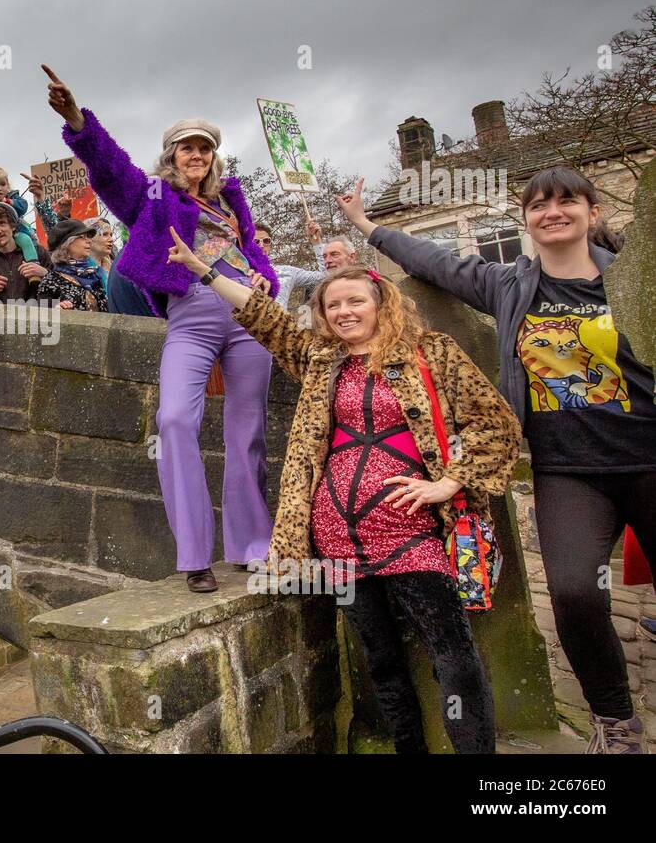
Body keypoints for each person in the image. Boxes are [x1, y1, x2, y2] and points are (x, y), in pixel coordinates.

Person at [336, 166, 655, 753]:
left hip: (648, 456)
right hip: (568, 470)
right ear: (526, 219)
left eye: (566, 201)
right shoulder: (510, 287)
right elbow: (435, 262)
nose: (552, 212)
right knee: (575, 590)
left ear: (593, 211)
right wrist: (366, 226)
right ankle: (616, 721)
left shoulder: (633, 280)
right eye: (539, 205)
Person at [169, 232, 520, 753]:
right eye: (332, 305)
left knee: (453, 656)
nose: (344, 312)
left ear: (382, 303)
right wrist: (204, 270)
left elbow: (496, 424)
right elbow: (266, 318)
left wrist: (448, 481)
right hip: (338, 538)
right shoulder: (318, 357)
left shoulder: (433, 353)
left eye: (355, 301)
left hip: (413, 535)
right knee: (380, 661)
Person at [44, 64, 279, 592]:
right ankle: (194, 554)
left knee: (248, 430)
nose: (196, 156)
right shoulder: (153, 196)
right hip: (191, 314)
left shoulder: (230, 200)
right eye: (185, 147)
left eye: (204, 148)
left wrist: (266, 281)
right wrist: (79, 121)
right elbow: (110, 171)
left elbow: (252, 254)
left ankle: (251, 546)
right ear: (171, 155)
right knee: (174, 420)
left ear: (213, 157)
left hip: (246, 314)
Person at [254, 219, 327, 312]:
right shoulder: (238, 270)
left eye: (266, 241)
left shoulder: (286, 272)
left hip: (278, 325)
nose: (261, 245)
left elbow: (324, 276)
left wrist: (317, 243)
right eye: (256, 241)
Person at [36, 219, 108, 311]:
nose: (89, 241)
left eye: (88, 237)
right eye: (82, 237)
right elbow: (43, 315)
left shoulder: (95, 275)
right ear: (67, 243)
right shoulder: (52, 280)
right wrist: (57, 309)